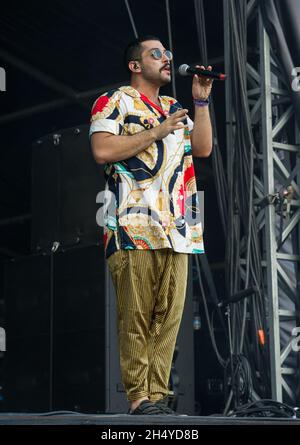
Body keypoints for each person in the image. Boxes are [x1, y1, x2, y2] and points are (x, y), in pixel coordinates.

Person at [90, 35, 213, 415]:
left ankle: (158, 399)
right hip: (132, 221)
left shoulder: (174, 105)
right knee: (137, 315)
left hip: (180, 224)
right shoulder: (115, 101)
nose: (167, 59)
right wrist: (157, 132)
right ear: (135, 65)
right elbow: (102, 150)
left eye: (168, 53)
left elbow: (203, 148)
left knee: (170, 317)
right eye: (156, 53)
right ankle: (138, 398)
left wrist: (201, 101)